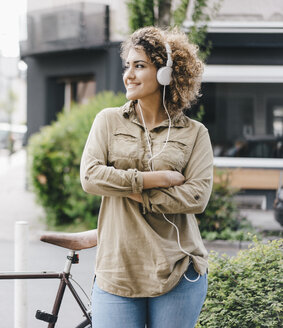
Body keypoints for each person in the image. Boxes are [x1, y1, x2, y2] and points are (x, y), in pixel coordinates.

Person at [80, 26, 213, 328]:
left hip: (179, 270)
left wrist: (125, 188)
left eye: (139, 66)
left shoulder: (194, 133)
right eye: (127, 66)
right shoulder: (108, 121)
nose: (129, 74)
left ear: (167, 72)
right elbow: (90, 177)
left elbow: (196, 197)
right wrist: (156, 179)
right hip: (118, 271)